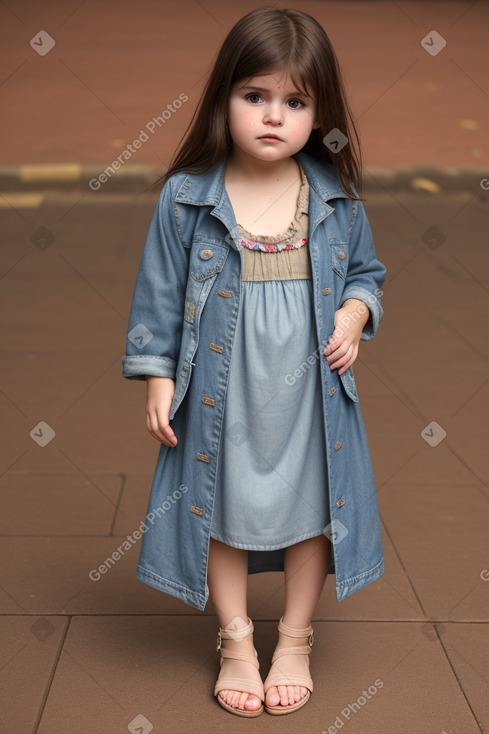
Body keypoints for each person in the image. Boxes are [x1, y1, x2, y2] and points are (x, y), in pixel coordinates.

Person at [122, 6, 386, 718]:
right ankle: (236, 637)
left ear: (318, 112)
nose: (274, 117)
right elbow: (156, 296)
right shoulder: (185, 200)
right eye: (255, 97)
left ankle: (294, 636)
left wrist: (354, 315)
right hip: (221, 392)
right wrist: (156, 373)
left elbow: (365, 274)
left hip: (308, 395)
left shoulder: (334, 195)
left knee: (309, 512)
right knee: (218, 506)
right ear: (223, 98)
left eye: (295, 102)